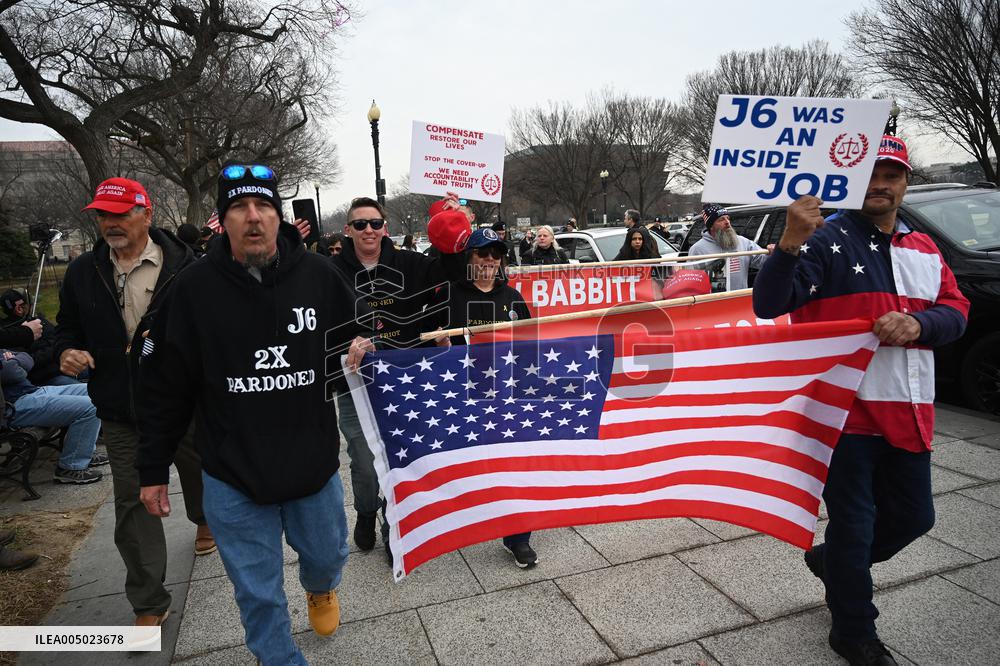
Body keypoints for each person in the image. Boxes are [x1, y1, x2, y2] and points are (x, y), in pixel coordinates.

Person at [136, 163, 373, 664]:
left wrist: (363, 343)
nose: (253, 217)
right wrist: (153, 468)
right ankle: (279, 658)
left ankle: (320, 588)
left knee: (328, 557)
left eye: (263, 206)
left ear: (277, 216)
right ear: (224, 220)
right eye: (239, 207)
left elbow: (362, 333)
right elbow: (165, 388)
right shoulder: (192, 288)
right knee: (258, 594)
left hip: (311, 465)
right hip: (232, 472)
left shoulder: (319, 275)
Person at [752, 136, 970, 666]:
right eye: (870, 174)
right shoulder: (826, 239)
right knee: (856, 525)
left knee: (916, 518)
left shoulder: (923, 245)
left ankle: (833, 564)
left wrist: (920, 322)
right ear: (850, 180)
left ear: (904, 182)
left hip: (908, 410)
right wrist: (788, 244)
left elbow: (957, 310)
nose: (880, 184)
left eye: (891, 174)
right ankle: (853, 630)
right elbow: (768, 303)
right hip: (841, 417)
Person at [54, 176, 212, 628]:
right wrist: (66, 350)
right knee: (132, 499)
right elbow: (66, 327)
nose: (110, 223)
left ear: (147, 213)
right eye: (103, 214)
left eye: (120, 213)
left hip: (183, 403)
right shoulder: (84, 271)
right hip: (120, 408)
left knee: (198, 468)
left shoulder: (187, 266)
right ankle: (148, 601)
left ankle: (204, 518)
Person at [330, 197, 467, 555]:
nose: (369, 230)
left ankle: (395, 521)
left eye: (375, 223)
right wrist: (350, 339)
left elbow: (451, 271)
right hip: (353, 379)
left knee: (398, 453)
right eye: (360, 224)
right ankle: (365, 510)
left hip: (401, 376)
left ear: (384, 227)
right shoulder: (330, 269)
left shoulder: (407, 262)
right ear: (348, 230)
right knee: (360, 457)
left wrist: (451, 223)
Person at [428, 228, 537, 567]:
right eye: (482, 252)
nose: (490, 259)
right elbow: (428, 347)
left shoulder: (513, 297)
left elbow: (531, 347)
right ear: (469, 258)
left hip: (507, 398)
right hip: (461, 398)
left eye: (496, 253)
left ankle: (518, 536)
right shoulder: (448, 297)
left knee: (514, 468)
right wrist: (441, 346)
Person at [2, 349, 105, 483]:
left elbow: (27, 357)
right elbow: (10, 372)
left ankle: (85, 452)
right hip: (14, 405)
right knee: (90, 406)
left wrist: (15, 361)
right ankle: (71, 466)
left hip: (34, 391)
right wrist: (14, 362)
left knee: (94, 390)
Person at [1, 289, 77, 386]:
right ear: (19, 309)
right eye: (30, 304)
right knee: (86, 392)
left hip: (66, 365)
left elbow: (59, 340)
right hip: (48, 378)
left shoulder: (36, 320)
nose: (32, 306)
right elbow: (25, 361)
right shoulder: (10, 336)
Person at [688, 204, 768, 290]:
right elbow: (691, 282)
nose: (727, 222)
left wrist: (776, 253)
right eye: (721, 219)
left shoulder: (743, 242)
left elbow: (764, 262)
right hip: (712, 301)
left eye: (728, 218)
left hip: (740, 299)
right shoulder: (698, 249)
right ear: (711, 226)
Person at [612, 226, 665, 299]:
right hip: (628, 293)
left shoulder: (650, 255)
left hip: (648, 292)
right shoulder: (623, 254)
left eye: (640, 239)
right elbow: (611, 267)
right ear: (629, 241)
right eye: (634, 239)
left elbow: (657, 271)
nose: (637, 241)